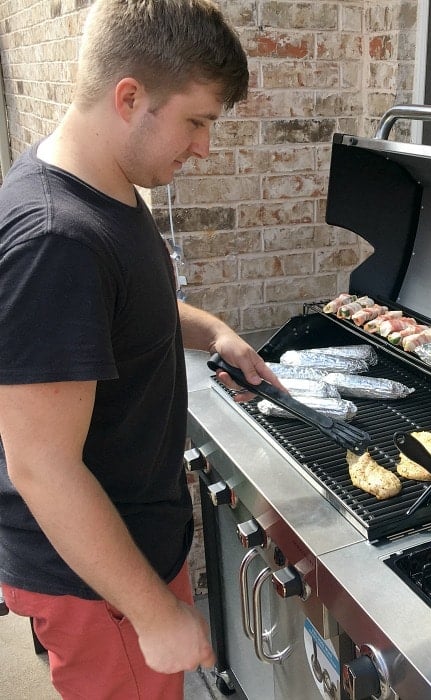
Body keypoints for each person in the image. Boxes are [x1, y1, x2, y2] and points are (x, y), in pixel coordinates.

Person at [0, 1, 285, 697]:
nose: (203, 148)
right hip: (99, 582)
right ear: (129, 98)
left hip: (126, 553)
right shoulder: (55, 241)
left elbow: (124, 307)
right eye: (196, 121)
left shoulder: (103, 190)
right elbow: (41, 465)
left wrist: (212, 331)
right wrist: (153, 614)